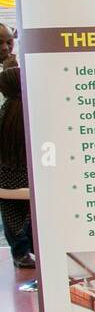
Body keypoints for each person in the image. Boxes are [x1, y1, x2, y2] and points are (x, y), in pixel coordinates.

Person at [0, 67, 34, 269]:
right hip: (32, 182)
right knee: (33, 217)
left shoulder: (3, 116)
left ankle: (20, 254)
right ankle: (35, 249)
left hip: (5, 186)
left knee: (12, 218)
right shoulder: (33, 116)